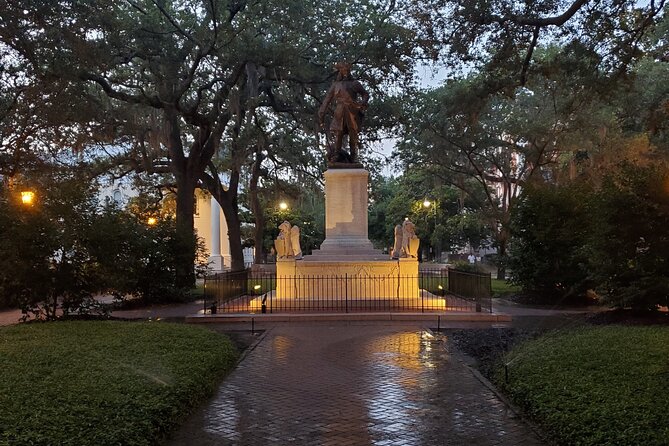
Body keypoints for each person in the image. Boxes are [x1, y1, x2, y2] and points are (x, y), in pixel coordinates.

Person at [318, 62, 369, 164]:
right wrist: (321, 113)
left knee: (353, 134)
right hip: (340, 112)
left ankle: (353, 156)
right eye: (343, 70)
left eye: (347, 70)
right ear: (340, 72)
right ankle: (336, 155)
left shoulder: (355, 83)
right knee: (339, 134)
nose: (345, 72)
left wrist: (362, 103)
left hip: (352, 111)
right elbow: (327, 100)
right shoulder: (335, 85)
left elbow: (365, 94)